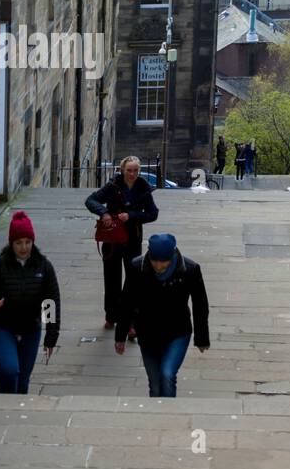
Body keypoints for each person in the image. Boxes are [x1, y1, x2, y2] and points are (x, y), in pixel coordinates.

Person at [115, 232, 209, 398]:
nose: (158, 266)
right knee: (155, 383)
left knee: (167, 374)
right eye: (154, 260)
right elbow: (126, 302)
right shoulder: (137, 267)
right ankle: (156, 418)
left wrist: (201, 337)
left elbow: (200, 304)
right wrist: (120, 335)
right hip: (148, 332)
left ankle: (169, 418)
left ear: (172, 256)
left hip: (177, 332)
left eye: (163, 261)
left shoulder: (190, 269)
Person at [0, 211, 60, 394]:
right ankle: (4, 407)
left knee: (22, 381)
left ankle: (14, 414)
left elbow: (50, 302)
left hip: (30, 329)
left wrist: (51, 336)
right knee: (9, 369)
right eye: (18, 243)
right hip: (0, 327)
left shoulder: (44, 266)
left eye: (28, 242)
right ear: (11, 243)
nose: (23, 247)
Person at [85, 156, 158, 331]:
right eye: (129, 170)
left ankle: (131, 321)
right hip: (112, 239)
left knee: (133, 280)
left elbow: (152, 214)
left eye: (136, 170)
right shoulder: (112, 186)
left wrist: (132, 216)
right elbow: (91, 200)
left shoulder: (143, 188)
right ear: (122, 170)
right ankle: (111, 315)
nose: (132, 174)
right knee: (111, 278)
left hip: (133, 238)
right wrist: (104, 213)